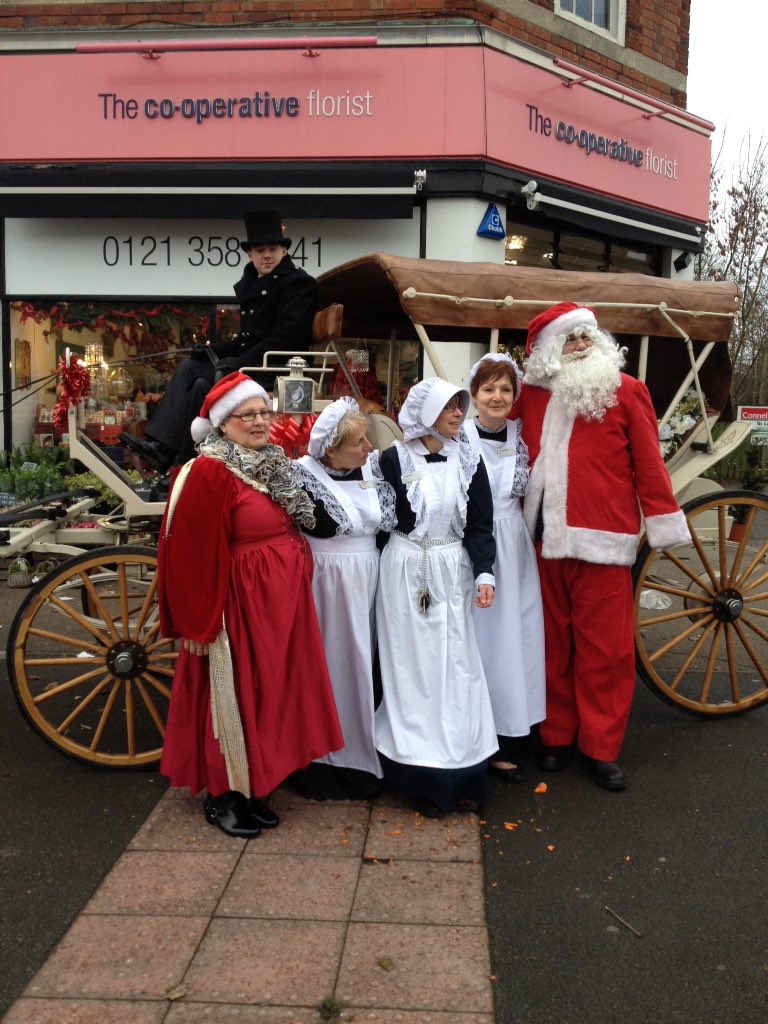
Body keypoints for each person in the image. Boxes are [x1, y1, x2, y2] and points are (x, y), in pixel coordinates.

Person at [157, 371, 343, 837]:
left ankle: (254, 784)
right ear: (223, 424)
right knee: (231, 695)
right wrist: (197, 624)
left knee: (267, 693)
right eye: (248, 415)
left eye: (264, 412)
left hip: (278, 603)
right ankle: (223, 795)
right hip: (235, 606)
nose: (260, 422)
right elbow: (188, 553)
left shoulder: (272, 465)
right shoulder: (207, 472)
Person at [518, 302, 691, 791]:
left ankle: (600, 746)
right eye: (568, 339)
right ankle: (556, 736)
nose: (578, 345)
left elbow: (649, 464)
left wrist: (661, 521)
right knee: (551, 646)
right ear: (549, 350)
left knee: (605, 652)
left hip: (604, 541)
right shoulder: (530, 395)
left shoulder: (627, 391)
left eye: (585, 337)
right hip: (541, 541)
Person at [374, 377, 498, 817]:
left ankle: (461, 769)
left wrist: (484, 571)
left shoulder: (468, 458)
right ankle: (415, 771)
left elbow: (480, 522)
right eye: (449, 407)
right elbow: (379, 522)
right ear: (426, 412)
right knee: (411, 668)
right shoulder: (391, 459)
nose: (458, 414)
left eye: (459, 406)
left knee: (456, 667)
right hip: (404, 570)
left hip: (451, 570)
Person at [122, 209, 318, 472]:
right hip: (255, 364)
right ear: (250, 254)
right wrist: (211, 350)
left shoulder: (297, 284)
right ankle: (161, 448)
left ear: (284, 250)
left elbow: (286, 337)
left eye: (272, 249)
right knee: (189, 367)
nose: (267, 255)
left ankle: (185, 463)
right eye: (260, 250)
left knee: (204, 384)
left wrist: (240, 361)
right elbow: (248, 338)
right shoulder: (259, 284)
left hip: (276, 368)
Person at [291, 397, 396, 799]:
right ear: (331, 451)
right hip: (328, 582)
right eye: (359, 442)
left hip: (371, 576)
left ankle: (368, 749)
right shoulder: (303, 475)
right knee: (334, 662)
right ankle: (327, 757)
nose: (370, 447)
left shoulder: (371, 468)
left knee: (369, 661)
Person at [465, 353, 546, 783]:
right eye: (488, 389)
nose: (497, 397)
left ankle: (513, 728)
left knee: (517, 636)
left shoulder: (522, 435)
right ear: (473, 394)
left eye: (505, 389)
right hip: (474, 547)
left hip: (514, 546)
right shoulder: (458, 437)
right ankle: (478, 732)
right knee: (481, 640)